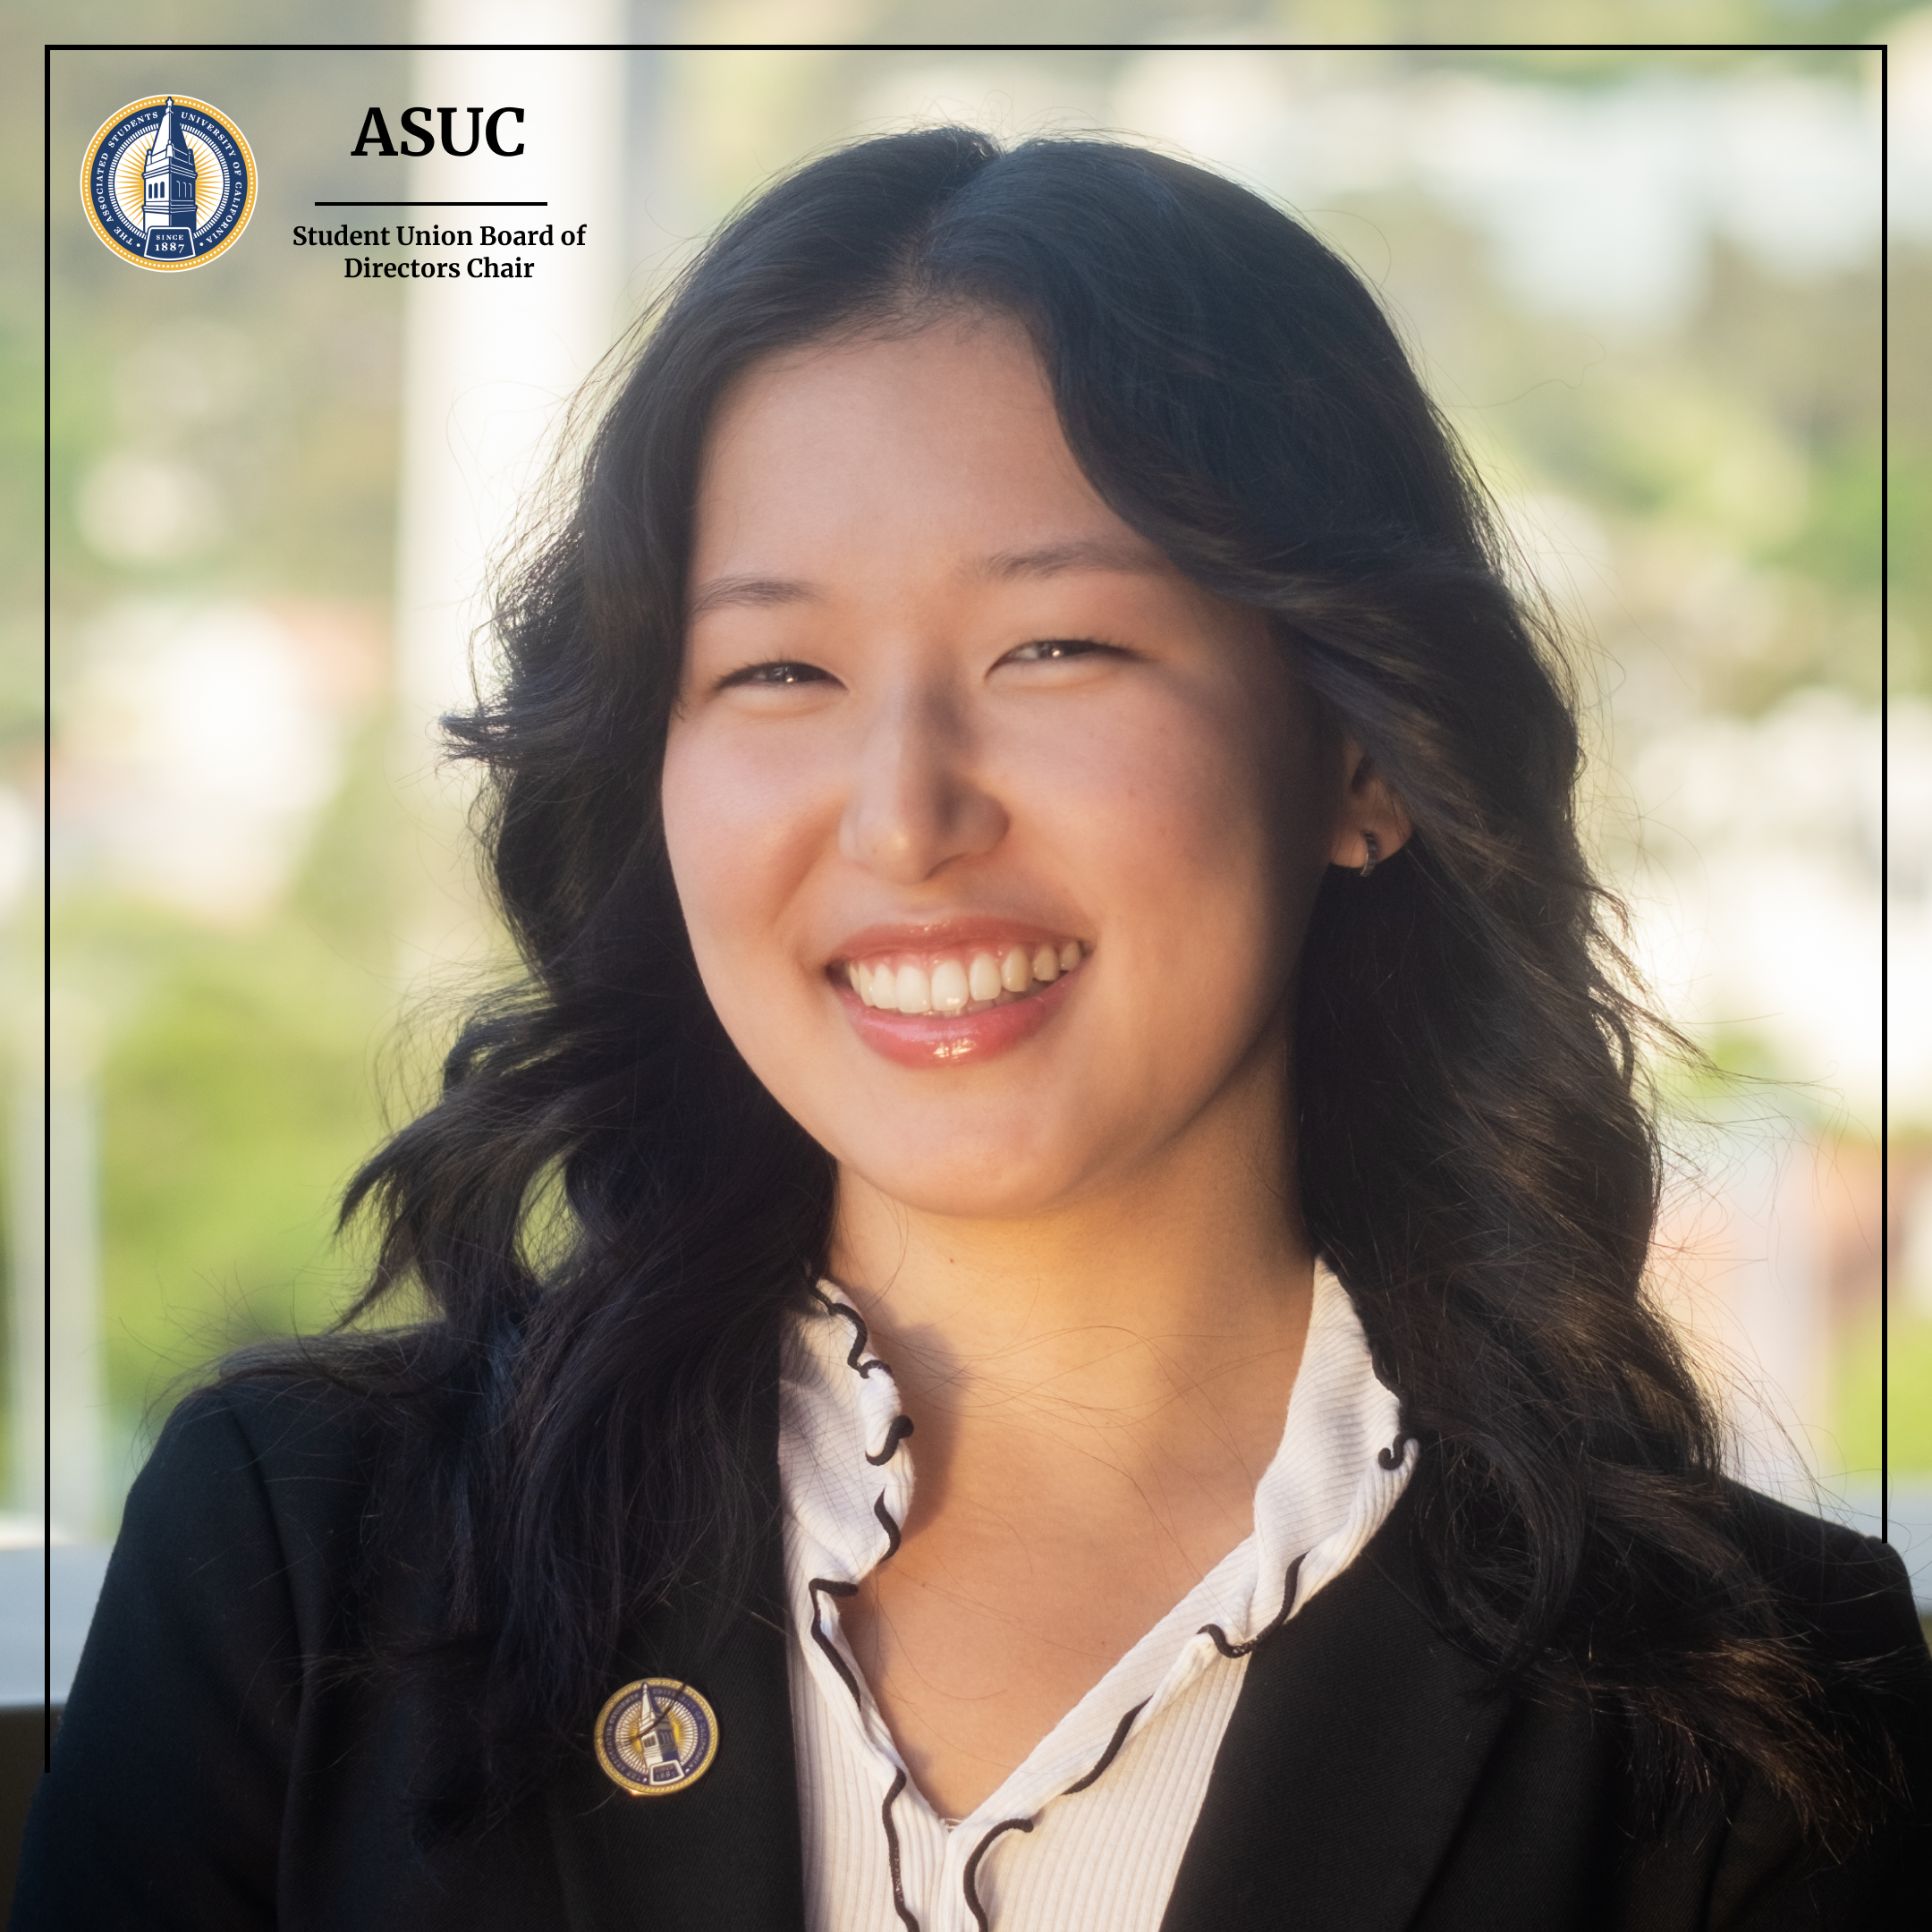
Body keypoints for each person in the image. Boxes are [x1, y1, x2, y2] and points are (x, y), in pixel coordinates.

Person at [14, 128, 1928, 1931]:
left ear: (1363, 750)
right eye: (775, 668)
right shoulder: (307, 1555)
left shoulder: (1751, 1707)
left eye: (1055, 649)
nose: (906, 816)